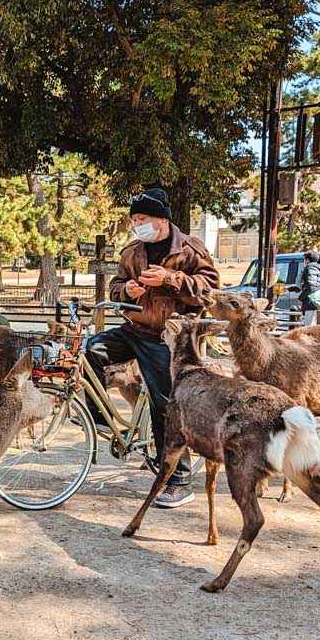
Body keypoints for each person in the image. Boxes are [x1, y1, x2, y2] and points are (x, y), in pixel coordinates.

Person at [85, 188, 220, 509]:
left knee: (164, 407)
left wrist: (170, 279)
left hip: (169, 338)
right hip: (135, 328)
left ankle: (179, 479)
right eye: (134, 219)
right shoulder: (132, 252)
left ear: (161, 219)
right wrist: (126, 290)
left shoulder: (189, 248)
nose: (136, 224)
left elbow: (210, 290)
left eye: (142, 218)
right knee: (91, 352)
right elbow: (116, 287)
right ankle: (98, 419)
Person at [299, 250, 320, 326]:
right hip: (318, 302)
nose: (304, 261)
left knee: (309, 327)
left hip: (310, 302)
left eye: (304, 259)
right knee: (313, 326)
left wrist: (301, 298)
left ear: (307, 260)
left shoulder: (309, 268)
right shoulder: (319, 269)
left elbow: (310, 286)